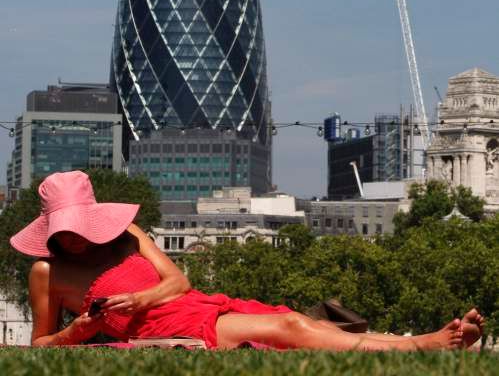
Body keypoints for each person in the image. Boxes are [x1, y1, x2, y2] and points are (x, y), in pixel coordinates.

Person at [10, 171, 484, 351]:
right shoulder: (46, 274)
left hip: (193, 305)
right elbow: (41, 346)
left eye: (79, 227)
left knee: (292, 318)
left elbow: (178, 280)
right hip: (162, 333)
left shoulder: (128, 234)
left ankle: (411, 342)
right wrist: (81, 330)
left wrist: (138, 296)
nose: (72, 238)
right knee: (291, 331)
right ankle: (426, 345)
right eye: (63, 230)